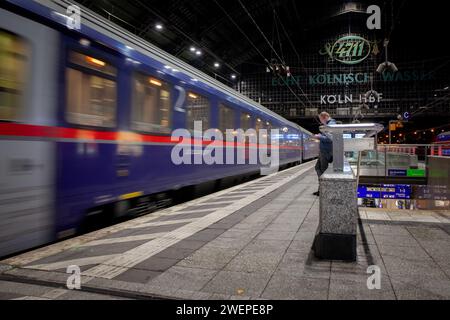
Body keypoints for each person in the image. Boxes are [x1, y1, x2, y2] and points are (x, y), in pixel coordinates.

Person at [313, 112, 336, 196]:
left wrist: (318, 137)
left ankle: (323, 189)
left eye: (321, 119)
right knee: (318, 168)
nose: (321, 121)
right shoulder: (329, 124)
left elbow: (330, 139)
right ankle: (322, 188)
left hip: (326, 151)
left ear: (325, 117)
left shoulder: (331, 124)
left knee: (323, 170)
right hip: (325, 150)